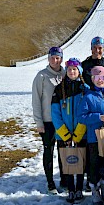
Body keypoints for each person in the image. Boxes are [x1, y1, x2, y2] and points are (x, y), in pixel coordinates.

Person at [79, 66, 104, 205]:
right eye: (97, 78)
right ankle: (95, 190)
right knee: (94, 164)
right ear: (92, 79)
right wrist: (98, 117)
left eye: (102, 78)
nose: (100, 81)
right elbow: (82, 117)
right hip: (94, 138)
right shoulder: (88, 97)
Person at [51, 57, 89, 203]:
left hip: (80, 134)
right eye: (69, 69)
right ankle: (70, 189)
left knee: (79, 161)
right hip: (64, 135)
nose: (72, 72)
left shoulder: (84, 89)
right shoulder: (59, 89)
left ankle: (79, 188)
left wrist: (78, 134)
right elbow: (55, 114)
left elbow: (86, 112)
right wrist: (65, 135)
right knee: (67, 161)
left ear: (79, 71)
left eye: (74, 69)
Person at [32, 46, 66, 194]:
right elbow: (36, 101)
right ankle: (50, 182)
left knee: (62, 151)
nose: (55, 60)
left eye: (58, 58)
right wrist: (39, 122)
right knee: (48, 150)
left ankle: (64, 179)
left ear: (61, 59)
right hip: (47, 121)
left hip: (62, 120)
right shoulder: (41, 76)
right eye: (52, 57)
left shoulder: (66, 73)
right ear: (48, 58)